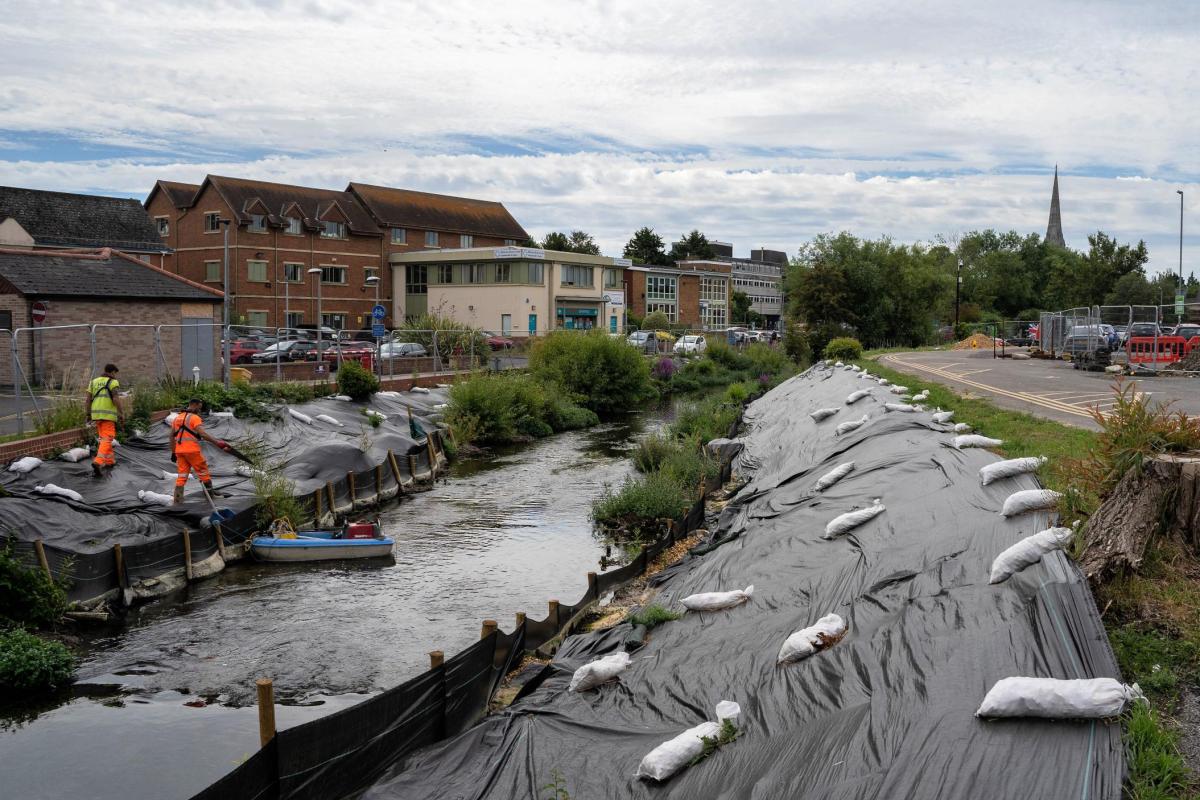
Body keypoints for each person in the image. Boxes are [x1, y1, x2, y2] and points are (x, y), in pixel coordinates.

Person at [171, 398, 231, 505]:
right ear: (194, 405)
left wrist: (173, 452)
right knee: (203, 472)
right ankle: (211, 496)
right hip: (192, 451)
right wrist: (217, 442)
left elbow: (171, 436)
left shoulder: (176, 418)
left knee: (182, 476)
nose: (200, 410)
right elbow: (202, 434)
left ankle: (177, 501)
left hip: (180, 452)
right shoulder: (194, 418)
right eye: (199, 407)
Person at [87, 363, 125, 477]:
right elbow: (115, 398)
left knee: (104, 438)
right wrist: (121, 413)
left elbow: (88, 399)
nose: (115, 376)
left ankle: (109, 461)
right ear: (112, 372)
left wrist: (88, 414)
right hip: (107, 416)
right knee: (107, 439)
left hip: (96, 415)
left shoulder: (93, 382)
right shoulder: (113, 382)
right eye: (115, 373)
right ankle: (98, 462)